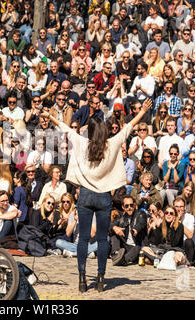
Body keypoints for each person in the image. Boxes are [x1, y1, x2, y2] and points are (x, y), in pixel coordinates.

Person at [42, 98, 152, 293]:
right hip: (103, 197)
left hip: (85, 194)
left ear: (90, 132)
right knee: (102, 239)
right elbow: (129, 127)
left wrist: (50, 116)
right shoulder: (112, 143)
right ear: (105, 131)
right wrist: (142, 111)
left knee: (83, 238)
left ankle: (83, 279)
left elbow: (65, 128)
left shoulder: (83, 142)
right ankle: (101, 279)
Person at [110, 194, 147, 266]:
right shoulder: (121, 218)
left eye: (131, 205)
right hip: (126, 247)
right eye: (126, 206)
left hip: (138, 247)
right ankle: (116, 255)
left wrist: (135, 229)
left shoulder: (141, 214)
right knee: (114, 235)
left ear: (134, 205)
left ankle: (123, 260)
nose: (129, 208)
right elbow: (110, 225)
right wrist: (115, 228)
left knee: (137, 248)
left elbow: (141, 222)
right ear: (123, 207)